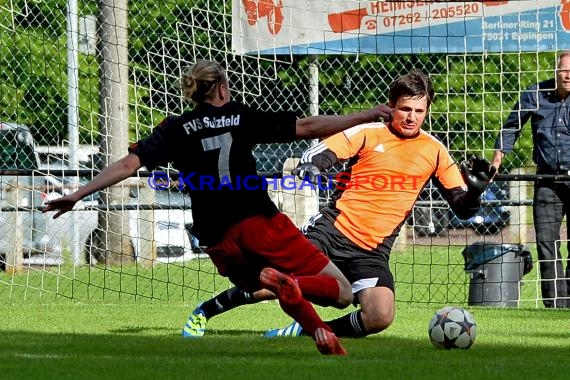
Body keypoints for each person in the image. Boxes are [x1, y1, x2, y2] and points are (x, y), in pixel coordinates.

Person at [43, 59, 395, 355]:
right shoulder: (240, 117)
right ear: (223, 88)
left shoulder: (175, 128)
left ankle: (321, 333)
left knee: (275, 285)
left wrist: (79, 194)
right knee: (342, 291)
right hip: (260, 221)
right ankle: (297, 288)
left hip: (217, 239)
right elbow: (307, 126)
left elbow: (127, 165)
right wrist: (364, 116)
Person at [183, 69, 496, 339]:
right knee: (271, 283)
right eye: (404, 109)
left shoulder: (435, 150)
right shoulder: (369, 132)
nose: (411, 117)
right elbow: (319, 154)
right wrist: (314, 167)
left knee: (380, 316)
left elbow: (463, 207)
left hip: (374, 252)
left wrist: (475, 191)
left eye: (419, 111)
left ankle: (309, 330)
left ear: (427, 110)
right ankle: (206, 311)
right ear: (391, 106)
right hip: (331, 232)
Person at [491, 51, 570, 309]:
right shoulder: (534, 94)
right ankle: (555, 305)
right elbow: (511, 126)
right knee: (546, 245)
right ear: (556, 71)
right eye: (563, 70)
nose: (567, 75)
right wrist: (498, 156)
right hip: (547, 181)